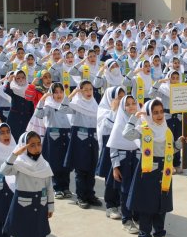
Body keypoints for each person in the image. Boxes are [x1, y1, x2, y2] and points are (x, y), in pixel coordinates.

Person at [123, 99, 185, 237]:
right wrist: (135, 118)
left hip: (165, 172)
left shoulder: (167, 130)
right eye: (155, 112)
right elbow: (126, 134)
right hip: (148, 172)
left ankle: (159, 234)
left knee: (161, 204)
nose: (159, 115)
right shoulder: (144, 129)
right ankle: (145, 236)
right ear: (149, 114)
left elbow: (170, 150)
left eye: (161, 112)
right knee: (147, 205)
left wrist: (179, 144)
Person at [1, 131, 54, 237]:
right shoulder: (19, 164)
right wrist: (14, 155)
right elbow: (4, 171)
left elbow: (49, 188)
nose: (37, 148)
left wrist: (50, 206)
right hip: (23, 207)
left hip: (41, 206)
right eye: (32, 145)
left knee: (40, 235)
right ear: (24, 146)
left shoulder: (45, 165)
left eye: (39, 144)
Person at [63, 80, 101, 209]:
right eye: (85, 89)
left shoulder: (95, 105)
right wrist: (73, 94)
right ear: (80, 91)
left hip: (93, 139)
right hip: (80, 140)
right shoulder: (76, 104)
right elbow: (62, 107)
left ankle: (90, 195)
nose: (88, 92)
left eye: (90, 89)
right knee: (81, 170)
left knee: (91, 170)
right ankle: (81, 196)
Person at [107, 95, 141, 234]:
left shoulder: (141, 121)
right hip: (124, 161)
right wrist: (115, 167)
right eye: (128, 104)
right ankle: (127, 220)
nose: (132, 106)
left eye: (134, 103)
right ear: (123, 107)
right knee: (125, 191)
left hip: (138, 160)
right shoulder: (120, 123)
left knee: (138, 189)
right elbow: (114, 146)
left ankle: (137, 216)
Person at [35, 83, 73, 200]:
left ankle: (66, 187)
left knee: (65, 162)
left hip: (66, 135)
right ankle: (57, 188)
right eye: (55, 92)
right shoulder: (49, 105)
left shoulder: (67, 105)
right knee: (55, 162)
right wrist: (42, 100)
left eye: (61, 92)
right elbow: (39, 114)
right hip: (53, 136)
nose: (59, 94)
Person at [96, 86, 125, 219]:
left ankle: (121, 203)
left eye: (123, 97)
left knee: (123, 175)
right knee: (111, 176)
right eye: (118, 97)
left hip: (123, 146)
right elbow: (107, 126)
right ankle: (110, 205)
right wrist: (114, 109)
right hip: (110, 147)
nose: (121, 100)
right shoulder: (104, 110)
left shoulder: (125, 110)